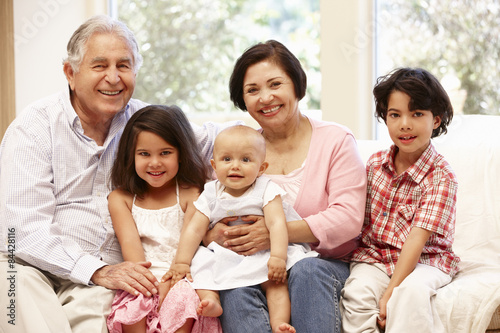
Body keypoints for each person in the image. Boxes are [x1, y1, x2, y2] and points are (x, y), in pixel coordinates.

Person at [0, 15, 231, 333]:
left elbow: (223, 144)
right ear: (70, 72)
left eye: (124, 66)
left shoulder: (147, 123)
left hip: (105, 279)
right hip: (32, 266)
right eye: (99, 66)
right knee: (10, 284)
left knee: (101, 318)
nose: (113, 78)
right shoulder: (34, 127)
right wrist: (95, 270)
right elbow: (18, 232)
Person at [202, 40, 368, 333]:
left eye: (275, 84)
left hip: (323, 265)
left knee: (307, 271)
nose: (265, 98)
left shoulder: (336, 140)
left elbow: (347, 220)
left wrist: (273, 234)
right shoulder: (239, 149)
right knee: (235, 286)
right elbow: (209, 208)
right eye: (252, 90)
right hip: (256, 268)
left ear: (296, 85)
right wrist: (214, 234)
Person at [166, 125, 318, 333]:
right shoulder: (211, 193)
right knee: (200, 267)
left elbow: (277, 224)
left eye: (245, 160)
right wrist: (181, 262)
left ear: (261, 168)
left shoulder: (266, 188)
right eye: (226, 159)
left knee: (276, 284)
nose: (235, 166)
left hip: (264, 253)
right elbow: (194, 230)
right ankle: (212, 300)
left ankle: (279, 323)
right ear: (214, 165)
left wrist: (278, 257)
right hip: (226, 255)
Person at [341, 67, 460, 333]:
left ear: (436, 120)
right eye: (395, 115)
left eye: (417, 114)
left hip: (426, 261)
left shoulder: (441, 177)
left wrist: (391, 291)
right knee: (356, 293)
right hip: (375, 257)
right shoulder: (374, 164)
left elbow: (416, 242)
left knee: (411, 294)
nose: (404, 124)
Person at [106, 105, 222, 333]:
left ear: (181, 153)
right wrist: (151, 288)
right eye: (144, 154)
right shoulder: (121, 198)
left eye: (165, 153)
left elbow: (188, 246)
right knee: (134, 305)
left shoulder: (191, 193)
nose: (155, 163)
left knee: (183, 299)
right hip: (142, 277)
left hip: (181, 274)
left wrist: (170, 284)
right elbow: (133, 255)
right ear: (131, 156)